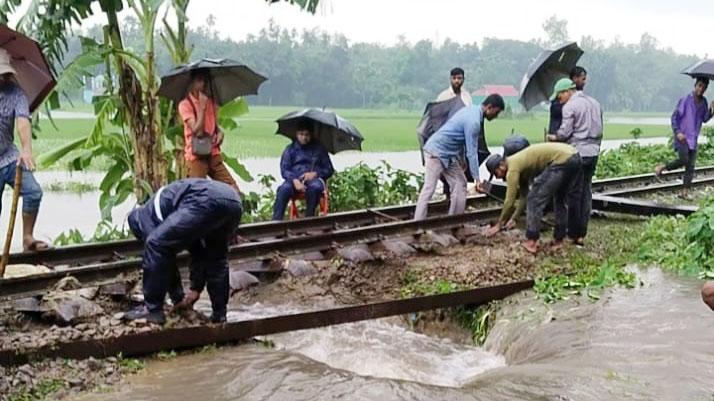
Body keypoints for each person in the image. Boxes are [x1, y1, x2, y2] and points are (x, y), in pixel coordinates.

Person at [123, 178, 243, 324]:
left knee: (155, 244)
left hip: (204, 200)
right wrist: (195, 290)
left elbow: (162, 257)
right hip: (233, 201)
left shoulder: (143, 218)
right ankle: (219, 315)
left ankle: (152, 310)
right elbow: (198, 252)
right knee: (216, 259)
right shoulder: (166, 206)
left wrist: (177, 297)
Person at [414, 94, 504, 220]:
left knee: (460, 183)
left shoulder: (471, 110)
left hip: (448, 155)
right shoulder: (474, 122)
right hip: (436, 152)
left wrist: (461, 159)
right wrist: (477, 179)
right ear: (490, 107)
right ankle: (418, 222)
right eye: (497, 112)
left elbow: (459, 136)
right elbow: (472, 152)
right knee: (429, 188)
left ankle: (454, 220)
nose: (496, 116)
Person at [481, 143, 582, 254]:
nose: (497, 177)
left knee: (534, 200)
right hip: (573, 156)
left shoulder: (512, 169)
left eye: (496, 173)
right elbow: (524, 196)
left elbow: (510, 201)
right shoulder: (520, 165)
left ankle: (532, 241)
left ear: (501, 165)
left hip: (561, 160)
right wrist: (514, 218)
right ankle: (559, 239)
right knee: (559, 198)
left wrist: (499, 225)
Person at [0, 49, 48, 251]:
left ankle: (28, 237)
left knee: (33, 192)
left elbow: (22, 122)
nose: (1, 79)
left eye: (4, 75)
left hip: (8, 157)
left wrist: (26, 149)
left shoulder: (16, 93)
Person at [547, 77, 603, 246]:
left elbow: (564, 133)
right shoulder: (595, 103)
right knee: (586, 192)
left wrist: (553, 137)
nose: (559, 100)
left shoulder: (570, 106)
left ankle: (573, 233)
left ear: (567, 91)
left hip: (577, 151)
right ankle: (582, 233)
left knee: (574, 194)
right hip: (593, 152)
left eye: (559, 96)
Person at [178, 69, 240, 193]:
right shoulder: (185, 105)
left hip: (213, 153)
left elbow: (214, 126)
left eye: (206, 81)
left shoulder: (212, 103)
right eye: (200, 80)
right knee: (198, 194)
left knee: (233, 190)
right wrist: (201, 107)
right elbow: (198, 131)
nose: (203, 84)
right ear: (192, 83)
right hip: (196, 156)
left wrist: (220, 133)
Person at [655, 77, 714, 199]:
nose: (701, 89)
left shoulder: (704, 102)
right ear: (695, 85)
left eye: (704, 87)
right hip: (682, 137)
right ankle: (662, 167)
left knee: (691, 166)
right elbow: (674, 117)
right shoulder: (685, 100)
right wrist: (677, 132)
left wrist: (712, 111)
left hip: (693, 138)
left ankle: (684, 192)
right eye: (700, 86)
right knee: (683, 160)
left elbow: (704, 118)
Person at [272, 120, 334, 220]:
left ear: (312, 134)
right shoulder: (290, 149)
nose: (304, 137)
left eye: (307, 135)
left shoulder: (320, 149)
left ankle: (309, 220)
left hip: (314, 181)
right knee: (283, 189)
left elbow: (329, 169)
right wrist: (294, 180)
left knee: (315, 187)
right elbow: (284, 170)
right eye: (301, 134)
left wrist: (316, 174)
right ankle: (275, 222)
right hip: (294, 180)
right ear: (297, 134)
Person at [548, 66, 588, 137]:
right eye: (583, 79)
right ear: (575, 78)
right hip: (558, 137)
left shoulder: (578, 100)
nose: (584, 82)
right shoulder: (559, 103)